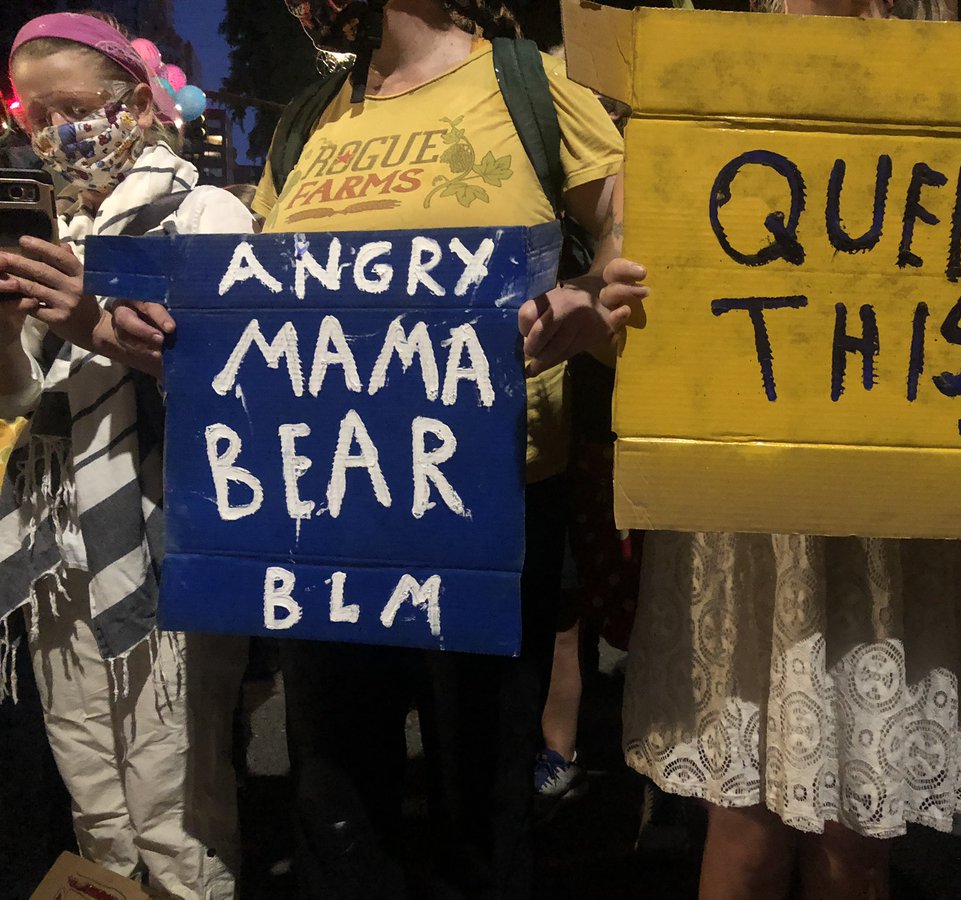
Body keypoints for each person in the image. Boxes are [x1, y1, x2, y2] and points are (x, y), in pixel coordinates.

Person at [601, 1, 961, 898]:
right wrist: (623, 293)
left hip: (906, 508)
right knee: (746, 831)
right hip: (759, 517)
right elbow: (664, 275)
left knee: (859, 841)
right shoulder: (709, 78)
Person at [117, 0, 628, 896]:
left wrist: (590, 299)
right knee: (336, 793)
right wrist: (164, 324)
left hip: (485, 501)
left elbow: (636, 222)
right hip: (327, 510)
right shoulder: (312, 118)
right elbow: (258, 284)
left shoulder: (529, 85)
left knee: (484, 794)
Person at [0, 12, 252, 898]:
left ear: (137, 100)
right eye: (31, 116)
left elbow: (236, 379)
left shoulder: (207, 211)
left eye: (71, 106)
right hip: (54, 548)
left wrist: (89, 322)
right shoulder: (54, 226)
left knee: (174, 794)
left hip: (165, 533)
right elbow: (17, 396)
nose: (52, 132)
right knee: (94, 797)